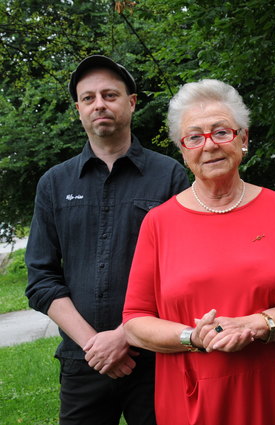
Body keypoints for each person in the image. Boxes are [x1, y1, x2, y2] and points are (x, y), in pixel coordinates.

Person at [122, 78, 275, 425]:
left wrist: (256, 324)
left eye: (221, 132)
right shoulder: (158, 223)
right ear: (182, 148)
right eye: (194, 136)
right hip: (193, 398)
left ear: (243, 138)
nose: (210, 146)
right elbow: (135, 322)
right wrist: (193, 337)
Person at [25, 55, 190, 425]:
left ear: (131, 102)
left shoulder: (171, 177)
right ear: (79, 110)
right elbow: (41, 279)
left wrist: (124, 337)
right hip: (82, 361)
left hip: (155, 359)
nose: (99, 104)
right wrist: (94, 345)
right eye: (88, 98)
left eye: (109, 95)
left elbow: (183, 274)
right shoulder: (54, 184)